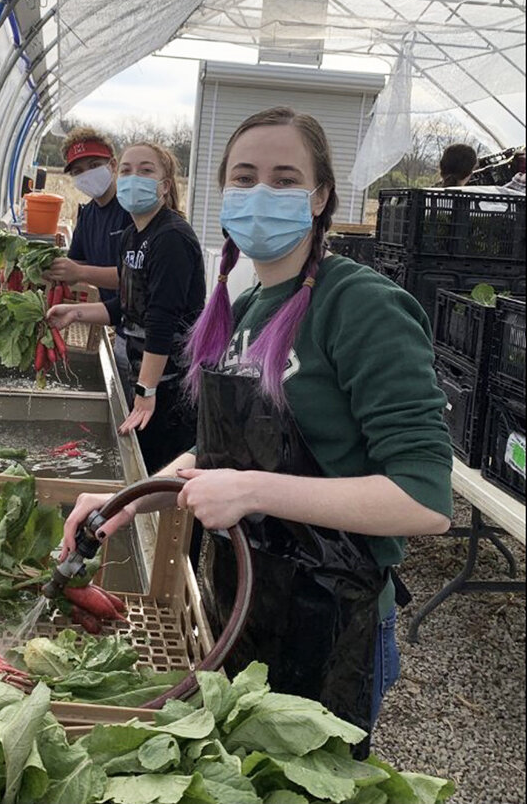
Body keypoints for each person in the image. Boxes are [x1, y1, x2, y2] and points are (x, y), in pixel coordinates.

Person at [59, 108, 453, 751]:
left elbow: (424, 499)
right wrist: (127, 499)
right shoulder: (241, 309)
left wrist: (253, 490)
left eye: (284, 177)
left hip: (333, 619)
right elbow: (222, 452)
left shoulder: (360, 307)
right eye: (244, 179)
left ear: (320, 196)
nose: (259, 193)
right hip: (247, 602)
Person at [48, 142, 205, 474]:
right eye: (128, 171)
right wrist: (75, 313)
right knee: (141, 469)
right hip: (144, 375)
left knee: (168, 478)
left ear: (164, 186)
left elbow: (161, 320)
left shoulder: (172, 237)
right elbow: (127, 307)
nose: (134, 178)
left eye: (146, 171)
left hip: (171, 385)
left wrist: (146, 390)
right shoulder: (131, 237)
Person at [46, 127, 133, 389]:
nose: (87, 175)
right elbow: (79, 263)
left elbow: (137, 279)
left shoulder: (132, 211)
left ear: (113, 164)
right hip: (118, 322)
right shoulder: (88, 214)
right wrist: (53, 270)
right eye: (78, 171)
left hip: (147, 332)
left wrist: (79, 273)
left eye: (94, 165)